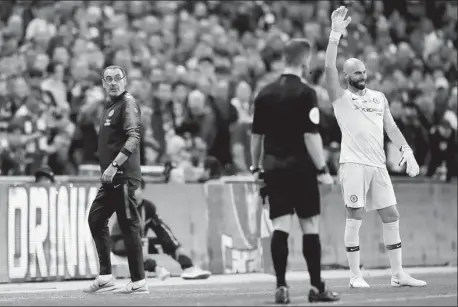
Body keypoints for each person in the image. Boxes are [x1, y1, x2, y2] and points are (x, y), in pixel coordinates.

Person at [324, 6, 427, 289]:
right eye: (356, 72)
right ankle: (355, 275)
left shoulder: (379, 98)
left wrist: (407, 150)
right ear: (346, 77)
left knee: (391, 215)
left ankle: (398, 274)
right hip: (354, 164)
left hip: (378, 165)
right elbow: (328, 68)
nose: (361, 75)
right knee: (354, 217)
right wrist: (335, 36)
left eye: (363, 70)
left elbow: (391, 128)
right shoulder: (341, 99)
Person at [250, 38, 339, 304]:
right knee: (310, 226)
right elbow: (310, 136)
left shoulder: (264, 93)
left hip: (274, 167)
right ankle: (315, 287)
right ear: (304, 60)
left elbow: (256, 137)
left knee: (280, 226)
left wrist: (256, 167)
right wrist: (323, 169)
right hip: (301, 168)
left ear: (282, 59)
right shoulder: (306, 93)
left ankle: (281, 286)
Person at [83, 65, 148, 295]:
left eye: (117, 78)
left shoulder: (127, 103)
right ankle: (105, 276)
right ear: (103, 83)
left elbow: (134, 138)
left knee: (129, 226)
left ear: (125, 80)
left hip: (121, 175)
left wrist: (114, 165)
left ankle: (138, 281)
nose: (113, 82)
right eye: (108, 79)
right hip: (111, 177)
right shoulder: (110, 106)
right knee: (96, 219)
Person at [110, 179, 212, 280]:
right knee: (134, 245)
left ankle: (189, 268)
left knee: (165, 242)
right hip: (119, 244)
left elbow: (161, 228)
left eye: (135, 189)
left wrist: (175, 245)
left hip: (140, 242)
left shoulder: (148, 207)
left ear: (142, 190)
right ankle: (156, 268)